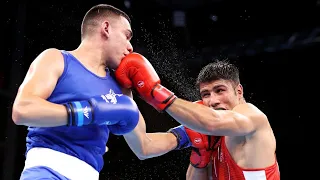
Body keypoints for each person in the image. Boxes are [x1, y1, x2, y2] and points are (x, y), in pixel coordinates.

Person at [12, 4, 142, 180]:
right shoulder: (56, 59)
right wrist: (88, 112)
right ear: (106, 28)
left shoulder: (120, 88)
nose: (130, 47)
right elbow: (23, 110)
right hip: (47, 171)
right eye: (126, 36)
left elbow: (144, 146)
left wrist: (184, 135)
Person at [114, 53, 281, 179]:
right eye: (206, 94)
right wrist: (124, 98)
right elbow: (145, 148)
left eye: (220, 90)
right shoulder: (206, 130)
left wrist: (155, 92)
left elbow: (213, 122)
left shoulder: (253, 117)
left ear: (239, 91)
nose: (213, 101)